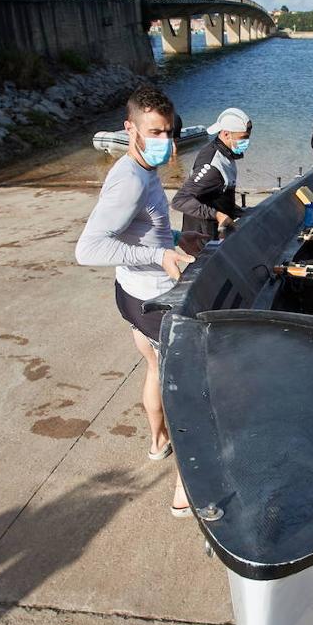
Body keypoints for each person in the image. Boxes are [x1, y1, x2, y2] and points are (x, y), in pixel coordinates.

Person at [74, 86, 207, 517]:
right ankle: (185, 490)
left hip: (131, 294)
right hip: (153, 301)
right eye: (154, 132)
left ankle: (157, 442)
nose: (164, 141)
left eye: (169, 132)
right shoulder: (129, 180)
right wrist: (158, 255)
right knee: (192, 390)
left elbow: (139, 230)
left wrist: (173, 238)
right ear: (129, 127)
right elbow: (89, 249)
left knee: (154, 367)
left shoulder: (142, 168)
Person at [171, 108, 252, 240]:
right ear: (226, 134)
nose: (246, 142)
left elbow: (217, 193)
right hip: (202, 234)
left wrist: (236, 210)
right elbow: (180, 201)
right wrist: (218, 215)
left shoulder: (226, 153)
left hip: (218, 228)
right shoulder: (212, 166)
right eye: (243, 138)